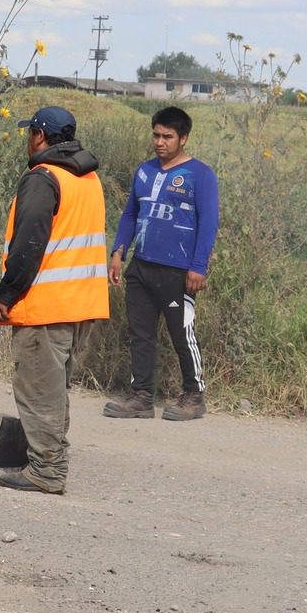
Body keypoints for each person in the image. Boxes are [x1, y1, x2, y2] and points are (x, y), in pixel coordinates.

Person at [0, 106, 109, 495]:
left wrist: (6, 294)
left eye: (29, 134)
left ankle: (47, 470)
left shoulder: (43, 179)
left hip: (47, 306)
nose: (27, 142)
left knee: (39, 390)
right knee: (54, 389)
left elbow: (28, 246)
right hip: (81, 305)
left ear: (40, 136)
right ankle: (46, 459)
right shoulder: (88, 178)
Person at [104, 106, 219, 421]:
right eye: (156, 134)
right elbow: (131, 214)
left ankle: (194, 397)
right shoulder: (144, 171)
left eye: (167, 136)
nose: (160, 142)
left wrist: (198, 267)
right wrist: (118, 252)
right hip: (141, 266)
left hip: (178, 270)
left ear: (183, 138)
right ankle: (141, 397)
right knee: (140, 333)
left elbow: (208, 223)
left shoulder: (201, 175)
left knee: (182, 333)